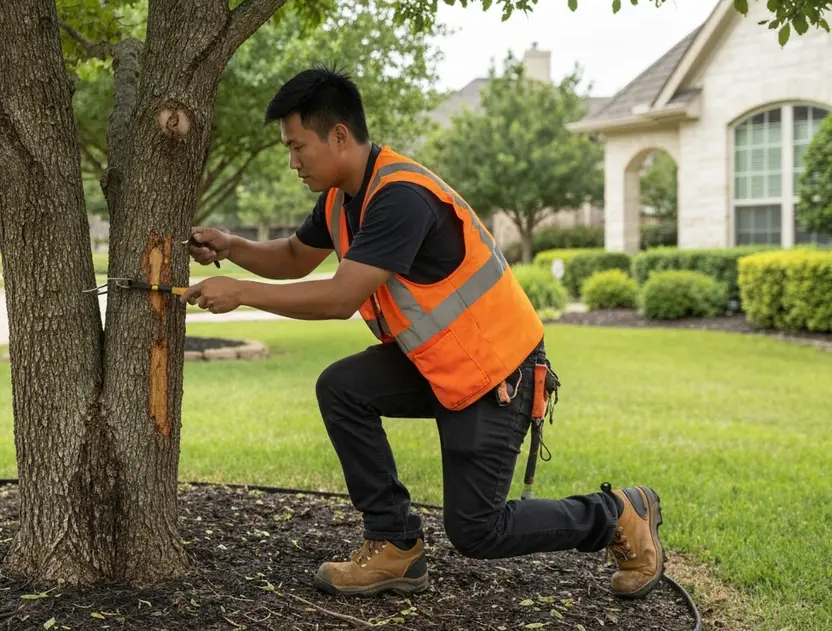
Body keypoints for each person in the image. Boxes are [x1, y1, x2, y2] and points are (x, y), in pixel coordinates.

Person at [183, 66, 665, 600]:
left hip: (496, 371)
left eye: (298, 147)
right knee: (343, 387)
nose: (292, 162)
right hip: (439, 363)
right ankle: (394, 547)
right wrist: (231, 245)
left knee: (479, 531)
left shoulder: (399, 197)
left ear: (339, 135)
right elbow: (296, 258)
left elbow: (341, 297)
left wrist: (242, 292)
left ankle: (619, 513)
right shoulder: (342, 198)